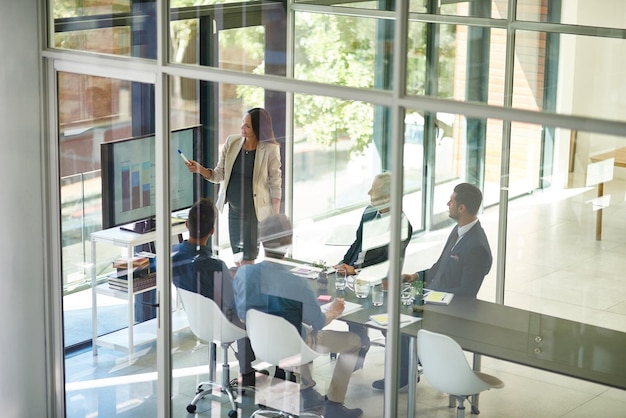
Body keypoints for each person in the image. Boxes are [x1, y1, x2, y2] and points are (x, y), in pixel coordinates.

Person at [233, 214, 363, 418]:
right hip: (292, 347)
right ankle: (335, 404)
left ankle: (307, 389)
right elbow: (319, 322)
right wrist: (334, 311)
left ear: (261, 241)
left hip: (260, 343)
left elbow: (242, 314)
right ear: (288, 241)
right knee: (354, 341)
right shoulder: (297, 283)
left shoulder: (244, 273)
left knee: (296, 327)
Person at [371, 182, 493, 390]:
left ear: (461, 208)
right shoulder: (459, 230)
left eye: (452, 201)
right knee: (387, 313)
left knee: (397, 322)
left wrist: (429, 297)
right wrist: (414, 276)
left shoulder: (477, 247)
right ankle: (414, 361)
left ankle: (404, 376)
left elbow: (466, 294)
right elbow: (439, 268)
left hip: (450, 312)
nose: (448, 203)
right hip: (433, 300)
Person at [171, 198, 257, 387]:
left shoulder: (173, 256)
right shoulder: (215, 265)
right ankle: (253, 370)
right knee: (254, 308)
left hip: (197, 322)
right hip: (221, 323)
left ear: (186, 224)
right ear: (212, 231)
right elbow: (233, 302)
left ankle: (248, 372)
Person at [334, 172, 414, 371]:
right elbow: (357, 244)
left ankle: (400, 368)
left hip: (377, 281)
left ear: (388, 196)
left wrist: (356, 269)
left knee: (370, 313)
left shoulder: (401, 224)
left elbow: (387, 261)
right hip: (354, 273)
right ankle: (358, 348)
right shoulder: (369, 212)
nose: (369, 192)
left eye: (374, 190)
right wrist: (343, 263)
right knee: (348, 309)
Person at [185, 107, 282, 264]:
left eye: (247, 126)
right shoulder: (232, 142)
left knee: (248, 261)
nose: (242, 128)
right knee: (237, 259)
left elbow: (275, 184)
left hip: (254, 215)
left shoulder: (270, 150)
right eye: (242, 123)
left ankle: (246, 287)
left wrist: (275, 218)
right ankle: (242, 287)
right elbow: (219, 175)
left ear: (258, 129)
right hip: (234, 212)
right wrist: (199, 169)